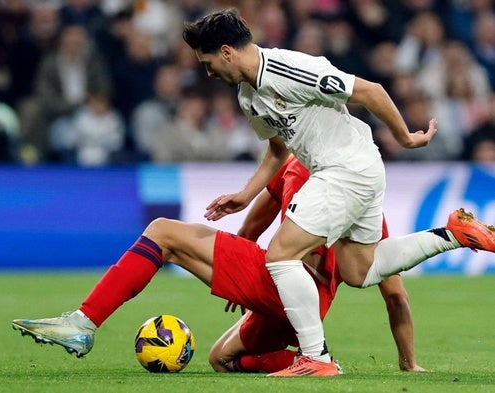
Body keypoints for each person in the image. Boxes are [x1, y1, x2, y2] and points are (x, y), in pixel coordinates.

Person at [181, 8, 495, 377]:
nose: (208, 72)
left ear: (227, 51)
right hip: (350, 169)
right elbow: (278, 151)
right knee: (358, 270)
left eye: (209, 62)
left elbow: (370, 91)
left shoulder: (289, 68)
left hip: (346, 169)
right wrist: (246, 194)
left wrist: (405, 137)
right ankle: (452, 233)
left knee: (280, 255)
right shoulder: (249, 95)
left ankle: (316, 358)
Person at [209, 155, 424, 373]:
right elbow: (395, 295)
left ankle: (318, 361)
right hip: (310, 303)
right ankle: (314, 358)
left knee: (221, 359)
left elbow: (251, 228)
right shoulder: (365, 207)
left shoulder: (292, 165)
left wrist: (239, 279)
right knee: (222, 354)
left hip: (283, 290)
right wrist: (409, 363)